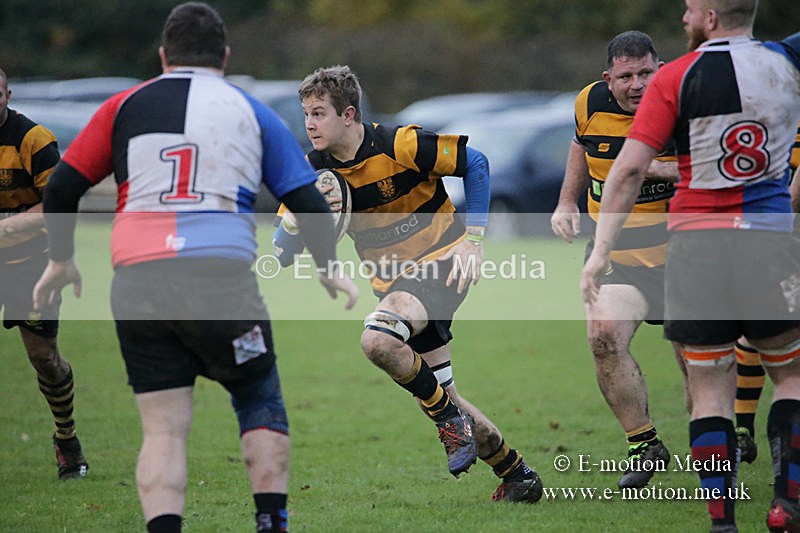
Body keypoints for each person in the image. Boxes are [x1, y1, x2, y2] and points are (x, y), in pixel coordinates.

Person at [32, 3, 358, 533]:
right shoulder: (250, 110)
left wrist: (62, 260)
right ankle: (271, 523)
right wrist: (327, 267)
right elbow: (307, 199)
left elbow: (63, 186)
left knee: (162, 432)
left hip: (138, 281)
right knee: (258, 398)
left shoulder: (121, 106)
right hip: (220, 280)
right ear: (225, 58)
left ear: (164, 56)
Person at [272, 65, 543, 503]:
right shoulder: (314, 171)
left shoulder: (399, 143)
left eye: (318, 113)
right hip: (395, 286)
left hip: (443, 262)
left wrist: (474, 240)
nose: (309, 123)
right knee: (440, 391)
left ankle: (447, 421)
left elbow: (475, 163)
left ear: (348, 114)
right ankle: (517, 475)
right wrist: (301, 227)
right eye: (306, 113)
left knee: (378, 341)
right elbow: (284, 247)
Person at [581, 1, 800, 531]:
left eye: (687, 10)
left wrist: (600, 252)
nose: (682, 18)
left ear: (706, 15)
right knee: (791, 377)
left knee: (708, 387)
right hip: (769, 242)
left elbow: (629, 169)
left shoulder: (674, 76)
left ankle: (722, 521)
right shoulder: (784, 61)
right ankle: (786, 503)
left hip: (697, 249)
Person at [551, 30, 687, 489]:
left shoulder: (681, 101)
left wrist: (646, 166)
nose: (637, 85)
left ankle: (720, 444)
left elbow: (704, 165)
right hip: (617, 257)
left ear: (660, 68)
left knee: (696, 362)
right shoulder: (588, 103)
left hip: (681, 257)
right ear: (608, 79)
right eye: (626, 76)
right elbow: (580, 146)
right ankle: (643, 444)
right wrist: (567, 201)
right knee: (603, 337)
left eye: (646, 73)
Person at [0, 67, 89, 480]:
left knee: (44, 360)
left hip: (31, 266)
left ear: (8, 94)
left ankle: (65, 437)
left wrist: (10, 225)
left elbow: (59, 203)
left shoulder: (34, 140)